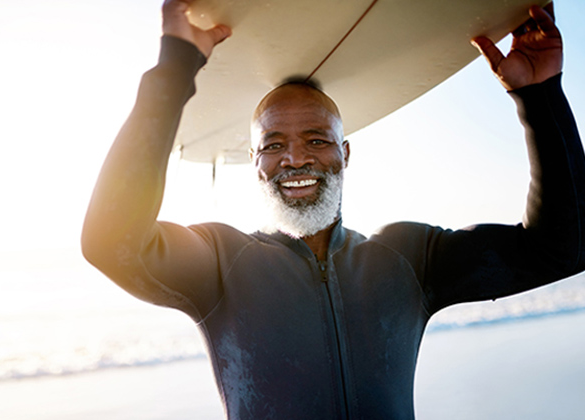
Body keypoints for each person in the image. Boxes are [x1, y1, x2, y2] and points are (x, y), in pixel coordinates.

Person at [81, 0, 584, 418]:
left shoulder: (410, 257)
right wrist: (175, 67)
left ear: (345, 154)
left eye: (317, 139)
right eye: (273, 145)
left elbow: (563, 249)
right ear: (254, 162)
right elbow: (110, 241)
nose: (295, 158)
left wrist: (539, 97)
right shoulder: (219, 263)